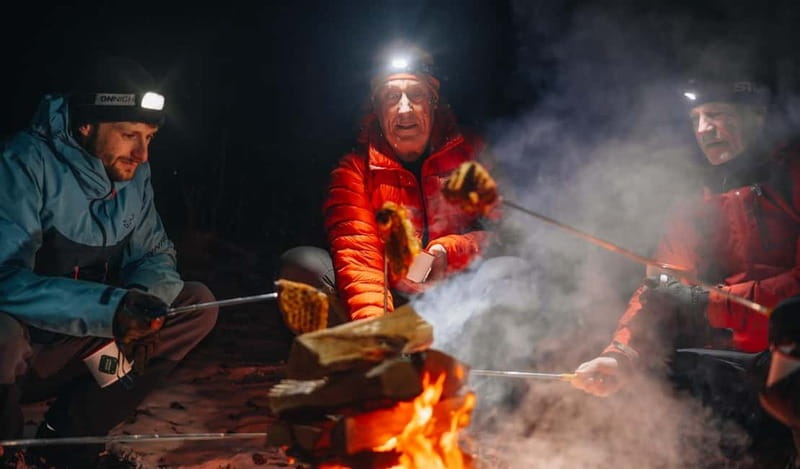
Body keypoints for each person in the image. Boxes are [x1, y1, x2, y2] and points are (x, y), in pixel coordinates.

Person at [570, 71, 800, 464]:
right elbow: (661, 283)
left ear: (756, 116)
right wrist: (621, 353)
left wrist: (711, 303)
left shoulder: (790, 174)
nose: (704, 129)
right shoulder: (699, 199)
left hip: (789, 354)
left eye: (716, 115)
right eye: (695, 119)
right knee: (659, 378)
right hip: (737, 358)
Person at [0, 56, 218, 467]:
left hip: (77, 353)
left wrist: (143, 304)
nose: (142, 154)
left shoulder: (131, 177)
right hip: (20, 358)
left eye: (150, 137)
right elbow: (4, 279)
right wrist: (109, 310)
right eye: (129, 135)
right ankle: (6, 451)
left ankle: (67, 443)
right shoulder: (21, 164)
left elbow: (154, 254)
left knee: (194, 306)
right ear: (86, 125)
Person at [279, 42, 502, 323]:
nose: (405, 108)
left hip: (459, 297)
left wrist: (451, 250)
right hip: (389, 301)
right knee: (303, 265)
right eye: (392, 96)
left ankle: (484, 352)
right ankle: (371, 355)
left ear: (433, 102)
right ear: (378, 108)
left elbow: (506, 236)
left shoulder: (470, 153)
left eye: (416, 95)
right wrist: (378, 336)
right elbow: (359, 257)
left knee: (509, 270)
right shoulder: (355, 169)